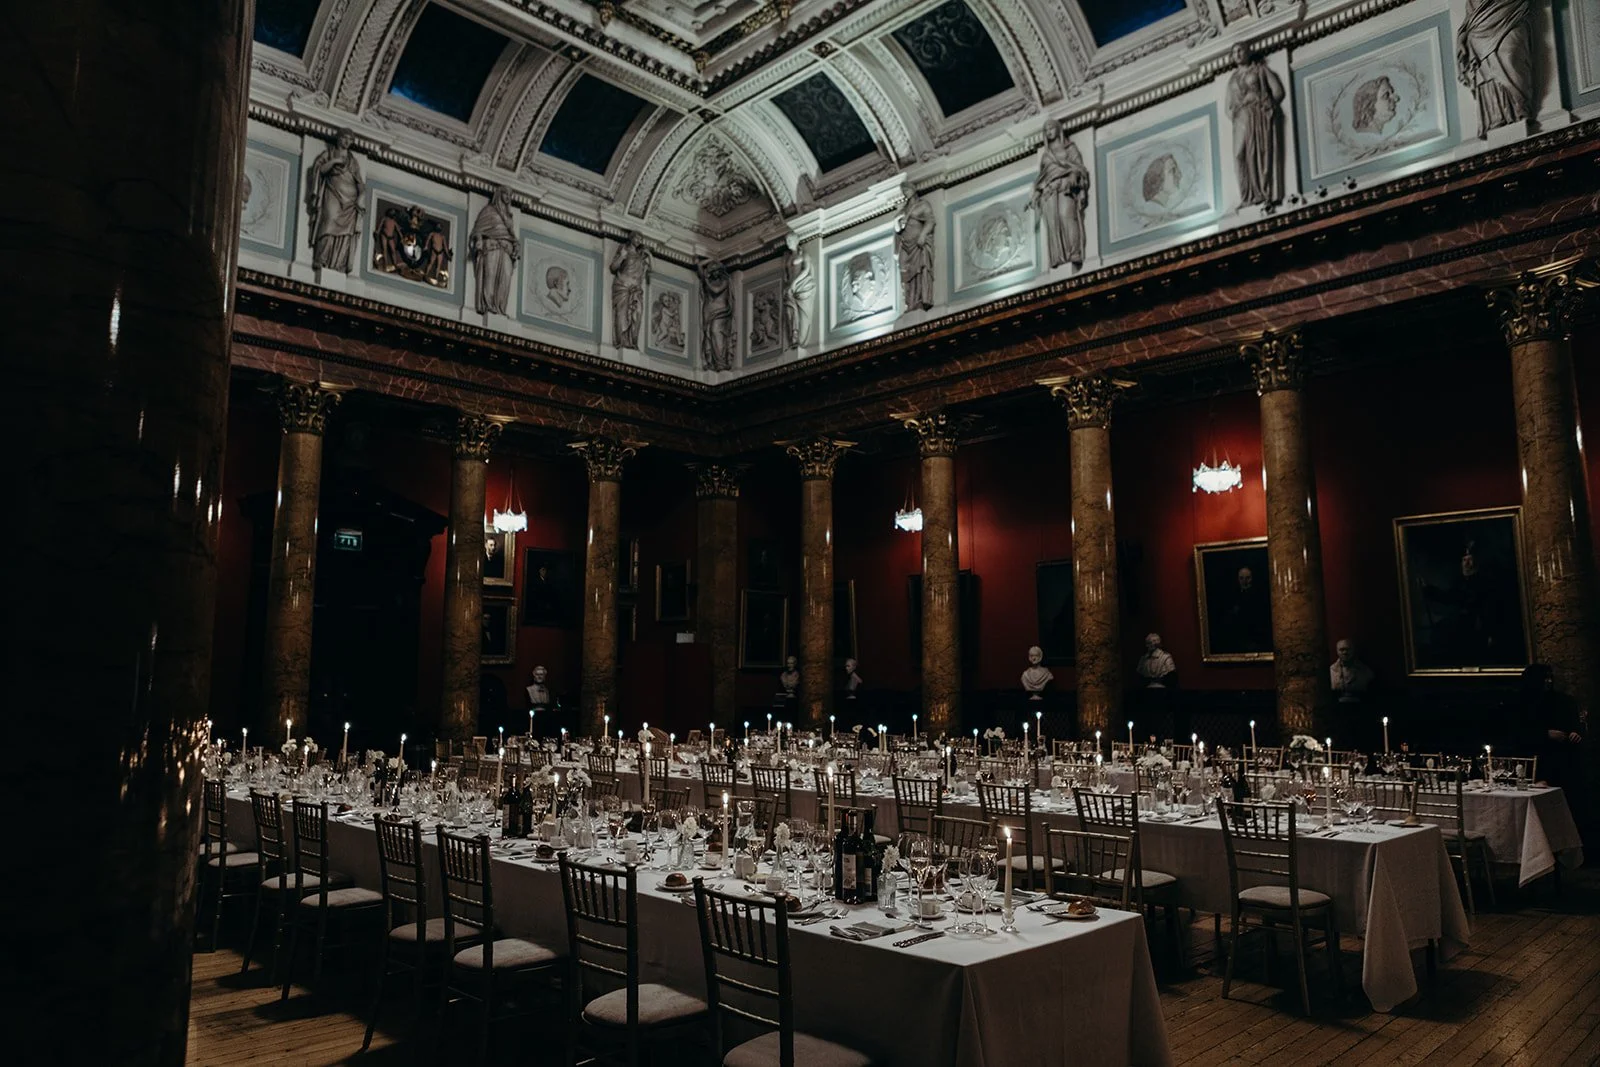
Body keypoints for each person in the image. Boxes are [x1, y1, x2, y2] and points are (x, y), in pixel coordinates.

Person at [1520, 664, 1583, 790]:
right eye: (1544, 678)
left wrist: (1575, 733)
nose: (1548, 681)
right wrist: (1545, 734)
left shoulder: (1565, 701)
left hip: (1564, 760)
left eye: (1550, 677)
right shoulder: (1523, 704)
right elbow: (1518, 733)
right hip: (1538, 761)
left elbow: (1575, 725)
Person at [1329, 638, 1374, 704]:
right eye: (1342, 650)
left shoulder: (1365, 670)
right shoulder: (1331, 670)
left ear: (1353, 650)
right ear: (1337, 651)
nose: (1345, 652)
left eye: (1348, 649)